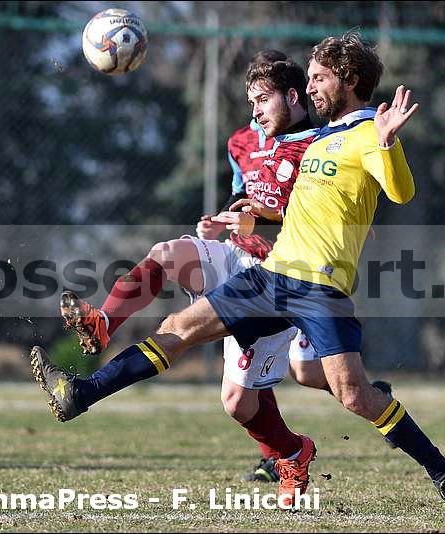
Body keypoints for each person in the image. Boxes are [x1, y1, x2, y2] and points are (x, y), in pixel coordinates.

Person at [32, 31, 445, 517]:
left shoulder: (367, 133)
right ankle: (82, 393)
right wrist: (252, 220)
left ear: (350, 80)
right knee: (177, 329)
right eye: (309, 78)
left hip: (320, 289)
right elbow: (302, 212)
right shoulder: (321, 139)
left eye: (319, 78)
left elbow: (400, 194)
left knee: (355, 395)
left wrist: (389, 142)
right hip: (271, 276)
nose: (310, 87)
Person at [44, 56, 322, 507]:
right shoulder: (242, 142)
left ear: (293, 97)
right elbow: (244, 196)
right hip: (234, 254)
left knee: (238, 403)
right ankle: (103, 324)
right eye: (251, 102)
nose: (255, 112)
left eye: (263, 100)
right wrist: (225, 220)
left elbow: (317, 225)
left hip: (278, 280)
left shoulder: (321, 148)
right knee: (167, 254)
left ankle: (292, 451)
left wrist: (260, 225)